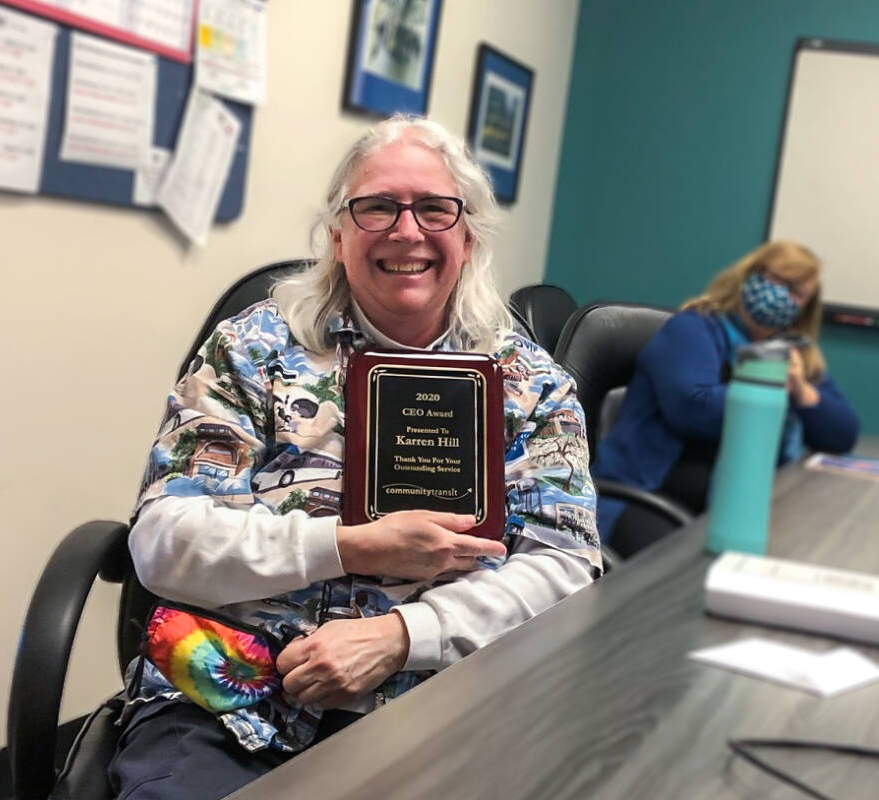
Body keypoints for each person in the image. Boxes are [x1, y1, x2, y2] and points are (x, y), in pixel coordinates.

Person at [106, 116, 602, 800]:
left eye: (435, 208)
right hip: (227, 697)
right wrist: (347, 546)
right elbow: (162, 544)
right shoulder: (250, 352)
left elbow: (565, 566)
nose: (407, 230)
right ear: (338, 235)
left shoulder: (530, 384)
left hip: (436, 702)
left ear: (468, 236)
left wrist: (404, 634)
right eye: (377, 207)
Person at [592, 240, 860, 556]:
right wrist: (769, 389)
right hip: (646, 495)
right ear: (750, 275)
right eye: (778, 281)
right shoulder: (692, 329)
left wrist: (801, 390)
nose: (783, 296)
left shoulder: (792, 352)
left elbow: (843, 433)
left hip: (740, 501)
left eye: (797, 293)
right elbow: (692, 408)